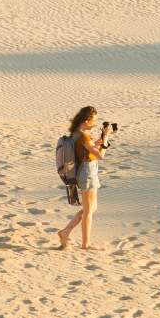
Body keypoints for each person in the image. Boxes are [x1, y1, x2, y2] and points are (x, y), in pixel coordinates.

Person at [57, 106, 110, 251]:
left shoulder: (77, 133)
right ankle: (85, 245)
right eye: (94, 121)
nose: (95, 123)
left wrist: (102, 139)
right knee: (88, 210)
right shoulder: (84, 136)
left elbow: (88, 149)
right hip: (87, 173)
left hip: (87, 171)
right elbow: (100, 156)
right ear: (87, 120)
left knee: (91, 208)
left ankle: (65, 232)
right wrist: (105, 139)